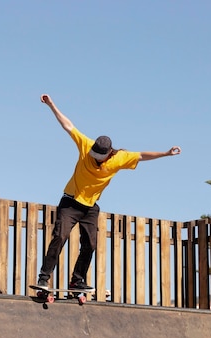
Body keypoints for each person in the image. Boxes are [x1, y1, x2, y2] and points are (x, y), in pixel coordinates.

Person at [36, 94, 182, 291]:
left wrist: (165, 153)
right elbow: (68, 125)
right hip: (70, 202)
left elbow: (141, 155)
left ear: (108, 154)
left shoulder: (119, 158)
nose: (95, 159)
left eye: (99, 158)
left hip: (90, 208)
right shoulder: (86, 146)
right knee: (60, 236)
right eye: (93, 156)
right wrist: (52, 105)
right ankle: (44, 278)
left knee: (91, 244)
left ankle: (76, 280)